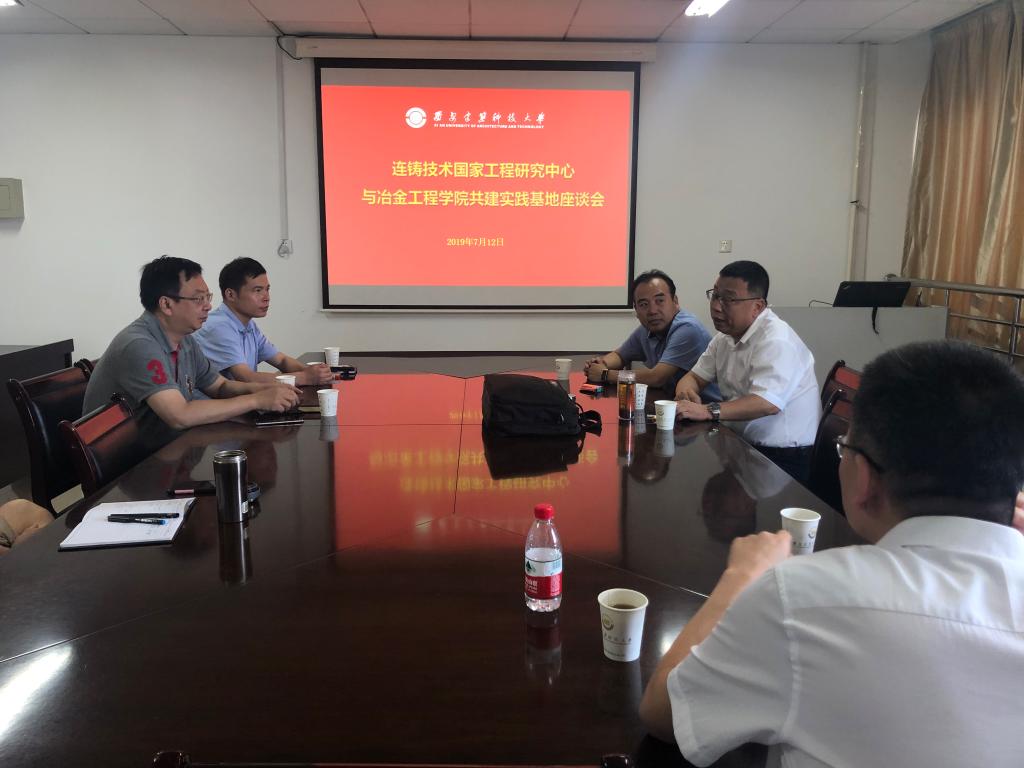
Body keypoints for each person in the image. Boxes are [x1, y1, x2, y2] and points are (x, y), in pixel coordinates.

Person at [640, 341, 1024, 767]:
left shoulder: (801, 599)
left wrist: (741, 579)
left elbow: (663, 712)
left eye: (845, 447)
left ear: (865, 479)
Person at [84, 256, 298, 442]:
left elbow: (220, 386)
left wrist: (265, 390)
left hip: (166, 447)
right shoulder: (139, 345)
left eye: (207, 297)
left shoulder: (184, 340)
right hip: (129, 465)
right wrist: (256, 400)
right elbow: (179, 415)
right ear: (166, 305)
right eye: (198, 299)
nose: (208, 306)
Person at [674, 261, 818, 483]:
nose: (716, 306)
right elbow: (693, 377)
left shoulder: (776, 340)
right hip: (740, 444)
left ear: (757, 307)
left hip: (781, 459)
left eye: (729, 299)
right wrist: (686, 395)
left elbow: (766, 403)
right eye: (715, 295)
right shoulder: (724, 337)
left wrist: (707, 410)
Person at [195, 258, 333, 386]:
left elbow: (281, 360)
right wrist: (306, 377)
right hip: (214, 403)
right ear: (231, 294)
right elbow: (246, 378)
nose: (266, 297)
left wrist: (315, 373)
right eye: (258, 290)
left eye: (267, 289)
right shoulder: (219, 327)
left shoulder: (248, 324)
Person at [585, 270, 719, 396]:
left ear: (675, 301)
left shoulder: (688, 328)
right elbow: (620, 355)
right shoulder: (646, 330)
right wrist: (600, 364)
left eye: (659, 301)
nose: (652, 311)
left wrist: (605, 374)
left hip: (705, 407)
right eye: (644, 304)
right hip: (671, 404)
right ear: (636, 310)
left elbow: (657, 377)